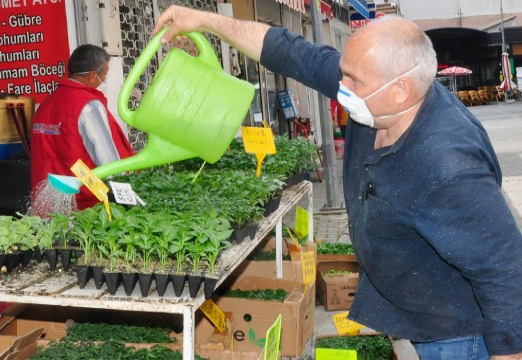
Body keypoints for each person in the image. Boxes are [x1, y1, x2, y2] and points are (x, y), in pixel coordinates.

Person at [153, 6, 522, 359]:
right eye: (343, 72)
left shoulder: (447, 164)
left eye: (352, 79)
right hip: (414, 310)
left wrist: (508, 350)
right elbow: (289, 52)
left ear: (401, 89)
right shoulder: (378, 96)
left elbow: (504, 266)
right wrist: (202, 20)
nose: (340, 86)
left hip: (456, 332)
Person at [30, 44, 135, 210]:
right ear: (92, 75)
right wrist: (127, 199)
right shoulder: (89, 106)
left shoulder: (45, 105)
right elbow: (109, 161)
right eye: (105, 75)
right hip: (85, 204)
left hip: (49, 199)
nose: (105, 81)